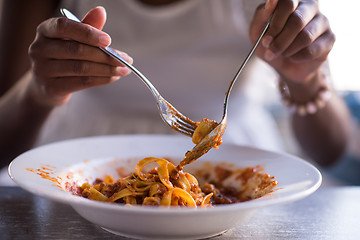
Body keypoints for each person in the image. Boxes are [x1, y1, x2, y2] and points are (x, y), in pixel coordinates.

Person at [0, 0, 351, 175]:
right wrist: (38, 92)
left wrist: (303, 80)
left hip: (240, 159)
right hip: (77, 163)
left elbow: (332, 149)